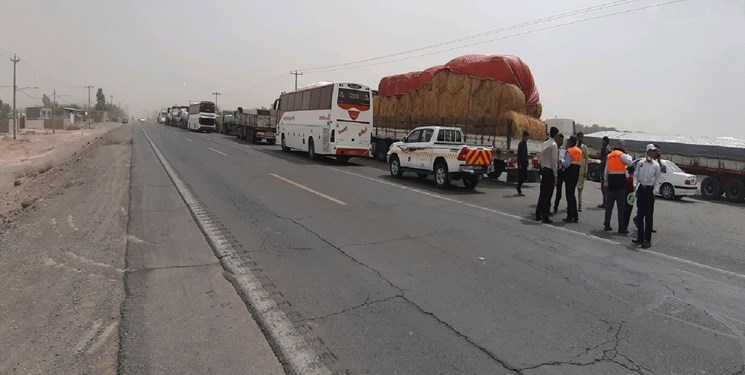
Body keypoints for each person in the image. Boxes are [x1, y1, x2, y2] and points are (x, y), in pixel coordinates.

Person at [634, 144, 662, 248]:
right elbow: (636, 176)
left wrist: (654, 191)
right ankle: (640, 238)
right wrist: (634, 187)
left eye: (655, 151)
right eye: (653, 151)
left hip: (649, 191)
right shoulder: (641, 163)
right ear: (648, 151)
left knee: (649, 216)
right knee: (640, 214)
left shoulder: (656, 165)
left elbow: (658, 179)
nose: (655, 153)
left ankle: (647, 240)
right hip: (642, 189)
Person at [603, 140, 633, 232]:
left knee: (609, 207)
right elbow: (630, 162)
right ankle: (621, 228)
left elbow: (606, 171)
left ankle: (607, 225)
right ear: (622, 147)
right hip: (620, 185)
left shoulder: (610, 155)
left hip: (611, 183)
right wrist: (627, 154)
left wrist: (605, 183)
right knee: (621, 208)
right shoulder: (621, 155)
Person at [536, 127, 560, 224]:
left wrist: (542, 167)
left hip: (544, 169)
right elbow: (554, 162)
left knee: (542, 193)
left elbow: (541, 158)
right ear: (556, 135)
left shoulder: (545, 143)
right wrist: (555, 175)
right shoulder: (554, 145)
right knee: (548, 194)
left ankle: (538, 213)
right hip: (550, 171)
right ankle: (545, 216)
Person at [562, 135, 582, 223]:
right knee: (572, 195)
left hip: (569, 173)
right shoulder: (579, 151)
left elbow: (566, 164)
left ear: (570, 141)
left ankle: (570, 216)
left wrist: (561, 161)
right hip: (576, 173)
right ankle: (575, 216)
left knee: (569, 195)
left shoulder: (569, 151)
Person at [576, 132, 589, 212]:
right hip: (574, 170)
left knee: (580, 189)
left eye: (582, 137)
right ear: (577, 138)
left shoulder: (584, 148)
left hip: (581, 170)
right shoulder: (574, 146)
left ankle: (579, 204)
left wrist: (586, 171)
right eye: (579, 137)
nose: (580, 139)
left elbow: (586, 159)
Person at [553, 134, 565, 214]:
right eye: (560, 140)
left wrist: (562, 161)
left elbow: (565, 160)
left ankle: (555, 207)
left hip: (560, 171)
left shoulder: (563, 151)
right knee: (550, 190)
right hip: (553, 171)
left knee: (559, 192)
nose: (562, 142)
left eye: (562, 140)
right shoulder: (553, 148)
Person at [597, 136, 610, 209]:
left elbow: (605, 160)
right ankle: (604, 202)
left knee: (604, 187)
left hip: (605, 170)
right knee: (603, 188)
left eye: (603, 141)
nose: (602, 142)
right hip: (603, 169)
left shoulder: (607, 149)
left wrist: (600, 165)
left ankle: (606, 203)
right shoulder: (604, 148)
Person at [623, 165, 636, 233]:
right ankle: (625, 226)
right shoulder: (634, 180)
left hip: (626, 194)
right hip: (631, 196)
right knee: (628, 212)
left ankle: (623, 225)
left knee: (624, 211)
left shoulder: (627, 179)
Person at [516, 131, 529, 196]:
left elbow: (526, 154)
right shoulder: (521, 144)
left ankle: (518, 186)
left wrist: (527, 161)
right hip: (521, 163)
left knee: (525, 177)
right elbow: (519, 154)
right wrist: (520, 163)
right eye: (526, 137)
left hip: (524, 163)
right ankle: (519, 189)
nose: (527, 138)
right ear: (523, 136)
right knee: (521, 177)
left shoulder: (525, 144)